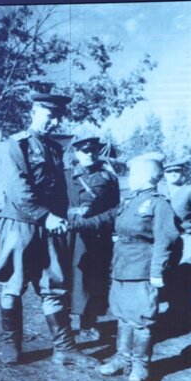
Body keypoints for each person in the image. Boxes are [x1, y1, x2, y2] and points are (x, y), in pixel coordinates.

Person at [0, 92, 95, 368]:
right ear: (34, 111)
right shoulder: (16, 145)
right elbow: (16, 188)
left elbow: (61, 190)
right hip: (21, 224)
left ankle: (64, 348)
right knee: (14, 284)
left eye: (58, 117)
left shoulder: (54, 148)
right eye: (50, 116)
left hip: (51, 227)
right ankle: (11, 346)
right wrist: (45, 216)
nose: (54, 122)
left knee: (55, 285)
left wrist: (62, 216)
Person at [98, 154, 179, 381]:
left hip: (143, 270)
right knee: (123, 316)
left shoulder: (159, 204)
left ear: (145, 177)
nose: (130, 178)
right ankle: (123, 358)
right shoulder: (130, 201)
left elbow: (166, 240)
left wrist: (157, 272)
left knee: (142, 319)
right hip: (122, 267)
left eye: (133, 174)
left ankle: (141, 364)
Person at [64, 136, 122, 345]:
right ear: (76, 153)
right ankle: (64, 326)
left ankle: (89, 323)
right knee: (68, 277)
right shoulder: (66, 175)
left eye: (93, 151)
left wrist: (99, 221)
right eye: (85, 151)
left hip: (97, 235)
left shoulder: (108, 177)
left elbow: (116, 208)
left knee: (94, 279)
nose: (89, 154)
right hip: (70, 234)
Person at [158, 159, 191, 328]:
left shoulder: (190, 191)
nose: (173, 174)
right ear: (164, 174)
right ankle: (172, 310)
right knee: (166, 274)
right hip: (163, 239)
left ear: (182, 173)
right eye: (169, 172)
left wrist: (190, 231)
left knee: (184, 274)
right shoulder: (159, 190)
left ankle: (183, 314)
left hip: (184, 238)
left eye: (177, 172)